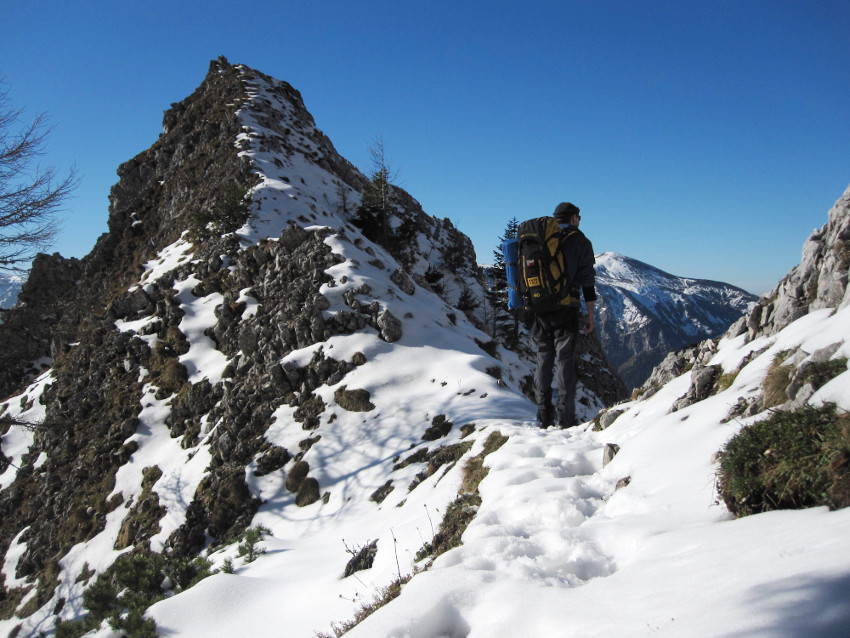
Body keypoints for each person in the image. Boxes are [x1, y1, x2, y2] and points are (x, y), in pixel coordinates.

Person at [531, 202, 596, 429]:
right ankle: (565, 420)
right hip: (566, 309)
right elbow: (587, 280)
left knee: (543, 359)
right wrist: (590, 313)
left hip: (539, 309)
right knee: (565, 362)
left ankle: (543, 417)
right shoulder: (580, 241)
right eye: (579, 217)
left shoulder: (540, 238)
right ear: (574, 218)